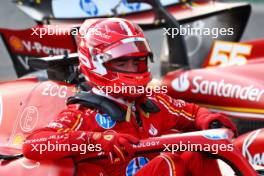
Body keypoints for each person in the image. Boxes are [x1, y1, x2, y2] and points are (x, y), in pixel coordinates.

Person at [22, 18, 237, 176]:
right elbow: (33, 144)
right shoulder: (83, 115)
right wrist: (95, 140)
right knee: (170, 163)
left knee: (197, 153)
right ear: (96, 63)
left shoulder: (153, 101)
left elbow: (193, 112)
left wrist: (209, 120)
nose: (132, 69)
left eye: (137, 62)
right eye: (122, 63)